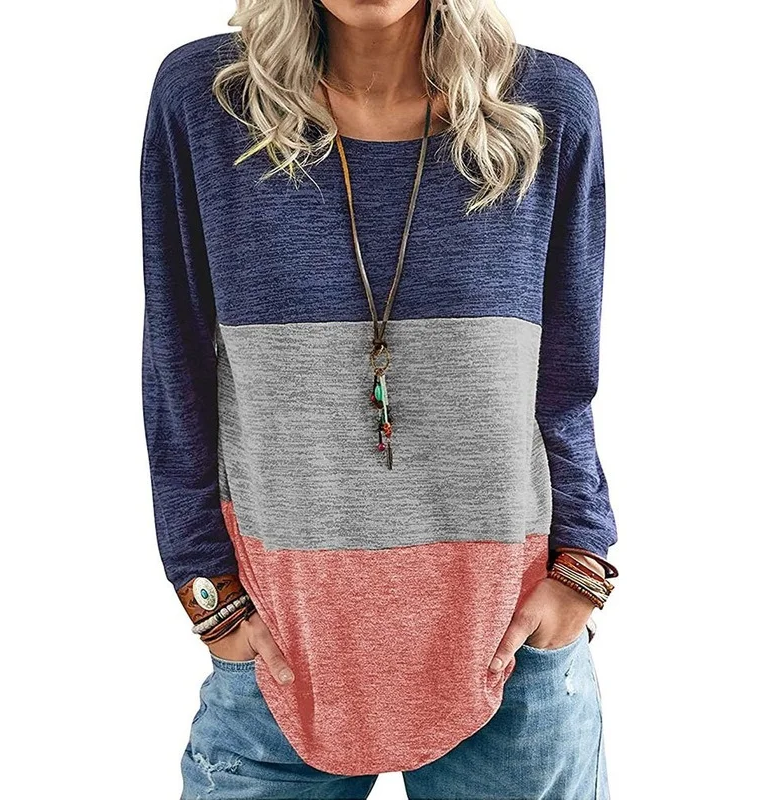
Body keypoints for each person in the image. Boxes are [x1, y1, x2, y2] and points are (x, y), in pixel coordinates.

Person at [139, 1, 619, 797]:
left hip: (510, 646)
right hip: (281, 644)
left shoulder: (546, 105)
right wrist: (206, 593)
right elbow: (175, 364)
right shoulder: (208, 100)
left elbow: (568, 377)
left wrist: (583, 566)